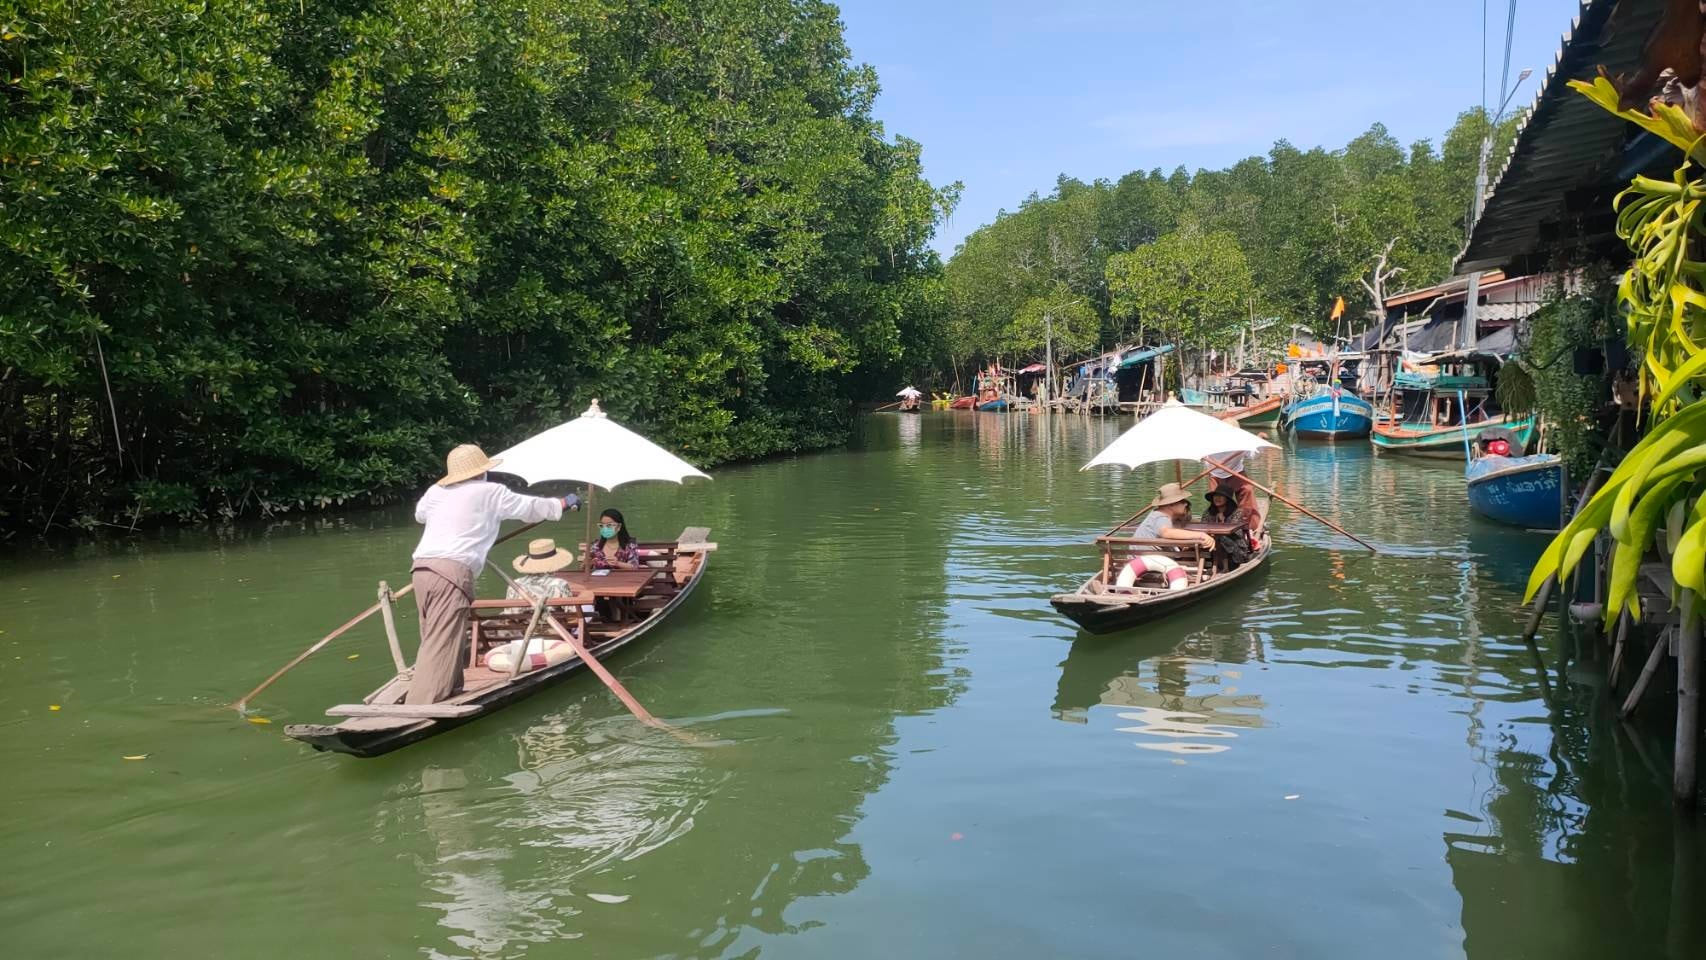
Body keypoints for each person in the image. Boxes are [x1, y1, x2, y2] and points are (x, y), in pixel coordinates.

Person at [408, 444, 579, 704]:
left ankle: (450, 691)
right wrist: (564, 503)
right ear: (480, 472)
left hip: (421, 569)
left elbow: (421, 516)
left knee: (435, 635)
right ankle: (422, 705)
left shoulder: (435, 491)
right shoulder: (490, 491)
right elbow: (530, 508)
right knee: (442, 640)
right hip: (451, 572)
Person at [1131, 483, 1215, 550]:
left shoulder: (1155, 514)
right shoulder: (1161, 517)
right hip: (1147, 562)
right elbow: (1166, 532)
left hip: (1143, 559)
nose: (1186, 504)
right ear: (1171, 504)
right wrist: (1201, 535)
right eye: (1182, 501)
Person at [1201, 488, 1254, 567]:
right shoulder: (1208, 512)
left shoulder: (1237, 512)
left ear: (1227, 499)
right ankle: (1203, 563)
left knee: (1221, 538)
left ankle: (1224, 566)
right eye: (1215, 496)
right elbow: (1203, 527)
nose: (1217, 498)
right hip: (1211, 542)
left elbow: (1234, 532)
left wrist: (1221, 522)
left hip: (1234, 546)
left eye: (1221, 496)